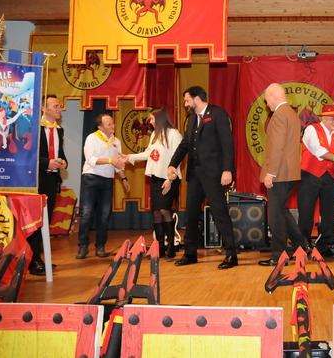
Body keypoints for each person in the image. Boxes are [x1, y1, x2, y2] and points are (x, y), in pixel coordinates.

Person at [167, 86, 238, 270]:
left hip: (214, 173)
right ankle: (190, 253)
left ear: (196, 99)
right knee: (190, 213)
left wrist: (227, 170)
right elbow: (185, 144)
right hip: (195, 173)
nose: (185, 104)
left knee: (219, 212)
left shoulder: (218, 114)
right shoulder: (192, 119)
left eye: (187, 100)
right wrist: (172, 164)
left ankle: (231, 254)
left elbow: (227, 144)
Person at [258, 83, 311, 266]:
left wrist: (271, 173)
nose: (267, 105)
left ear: (273, 97)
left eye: (267, 100)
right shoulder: (291, 113)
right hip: (289, 172)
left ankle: (279, 256)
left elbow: (277, 147)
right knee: (282, 210)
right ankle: (302, 244)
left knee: (276, 216)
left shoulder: (280, 114)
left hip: (279, 172)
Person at [121, 107, 182, 259]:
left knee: (164, 210)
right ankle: (159, 247)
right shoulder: (155, 134)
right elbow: (149, 153)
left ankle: (171, 246)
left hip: (169, 178)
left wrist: (170, 179)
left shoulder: (174, 134)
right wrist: (130, 157)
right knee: (156, 212)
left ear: (160, 119)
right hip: (156, 177)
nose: (150, 122)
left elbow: (177, 158)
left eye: (153, 119)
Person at [297, 104, 334, 259]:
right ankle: (303, 246)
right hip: (310, 176)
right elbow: (318, 150)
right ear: (325, 118)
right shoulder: (311, 130)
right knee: (306, 213)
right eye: (333, 119)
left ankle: (324, 246)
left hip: (330, 177)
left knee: (329, 213)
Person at [77, 114, 130, 259]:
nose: (113, 126)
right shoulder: (92, 138)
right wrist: (111, 160)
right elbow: (91, 159)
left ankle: (100, 246)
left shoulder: (116, 141)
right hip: (91, 178)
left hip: (107, 180)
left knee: (104, 215)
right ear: (100, 127)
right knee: (87, 213)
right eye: (109, 124)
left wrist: (124, 178)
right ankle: (83, 246)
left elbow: (118, 163)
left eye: (112, 123)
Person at [27, 95, 67, 275]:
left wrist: (63, 162)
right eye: (56, 106)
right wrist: (46, 163)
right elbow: (28, 154)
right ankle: (32, 259)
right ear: (43, 108)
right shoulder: (34, 127)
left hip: (52, 179)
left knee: (45, 219)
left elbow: (60, 153)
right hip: (36, 180)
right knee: (34, 221)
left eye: (59, 106)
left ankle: (39, 257)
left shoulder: (58, 130)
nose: (60, 109)